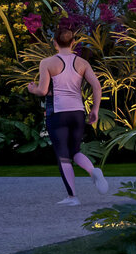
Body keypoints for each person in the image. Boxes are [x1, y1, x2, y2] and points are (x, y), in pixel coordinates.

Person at [26, 27, 110, 205]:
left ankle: (73, 197)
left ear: (55, 43)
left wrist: (32, 89)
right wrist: (94, 109)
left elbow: (42, 90)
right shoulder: (82, 63)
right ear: (73, 43)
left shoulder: (47, 62)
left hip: (58, 113)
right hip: (77, 112)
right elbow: (97, 86)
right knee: (75, 150)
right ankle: (93, 171)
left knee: (63, 155)